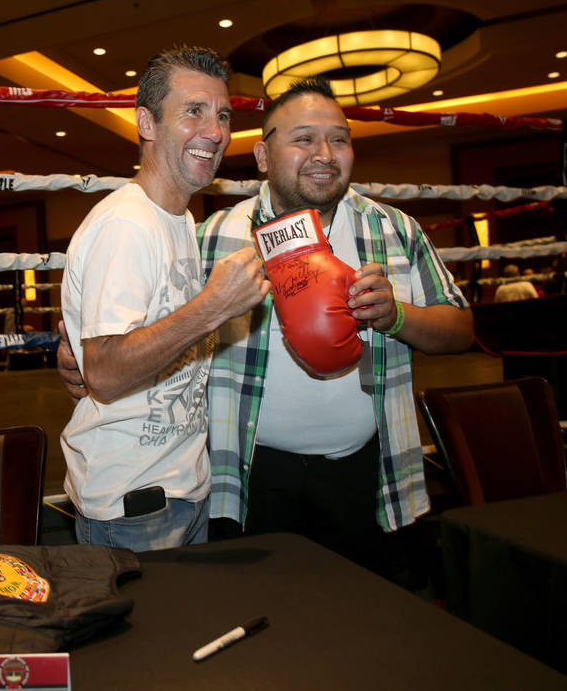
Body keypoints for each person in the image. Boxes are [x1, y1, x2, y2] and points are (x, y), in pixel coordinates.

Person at [59, 77, 473, 580]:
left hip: (369, 471)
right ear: (262, 155)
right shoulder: (213, 237)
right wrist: (81, 357)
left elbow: (461, 329)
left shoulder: (394, 230)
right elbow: (141, 335)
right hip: (249, 477)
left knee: (370, 628)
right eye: (303, 139)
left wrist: (397, 315)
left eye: (339, 139)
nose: (324, 153)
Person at [60, 45, 270, 553]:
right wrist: (214, 306)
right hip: (135, 504)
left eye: (222, 115)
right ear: (147, 124)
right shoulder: (127, 224)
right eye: (193, 111)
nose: (215, 131)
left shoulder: (178, 220)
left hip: (179, 487)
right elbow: (105, 374)